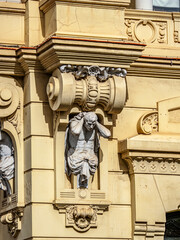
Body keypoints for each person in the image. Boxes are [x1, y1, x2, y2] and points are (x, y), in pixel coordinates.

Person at [65, 112, 111, 188]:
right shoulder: (75, 123)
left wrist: (96, 122)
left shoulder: (94, 126)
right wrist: (82, 119)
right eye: (89, 124)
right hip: (76, 157)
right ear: (84, 121)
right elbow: (76, 132)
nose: (91, 126)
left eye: (93, 124)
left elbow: (108, 134)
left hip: (91, 158)